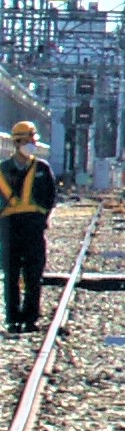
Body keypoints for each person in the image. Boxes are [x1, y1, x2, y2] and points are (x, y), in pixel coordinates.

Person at [0, 122, 53, 334]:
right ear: (17, 142)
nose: (32, 145)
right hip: (9, 229)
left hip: (33, 228)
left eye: (33, 140)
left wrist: (41, 218)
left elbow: (50, 197)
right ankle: (13, 318)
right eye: (28, 141)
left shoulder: (42, 169)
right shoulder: (3, 169)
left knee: (33, 274)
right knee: (11, 275)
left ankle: (31, 317)